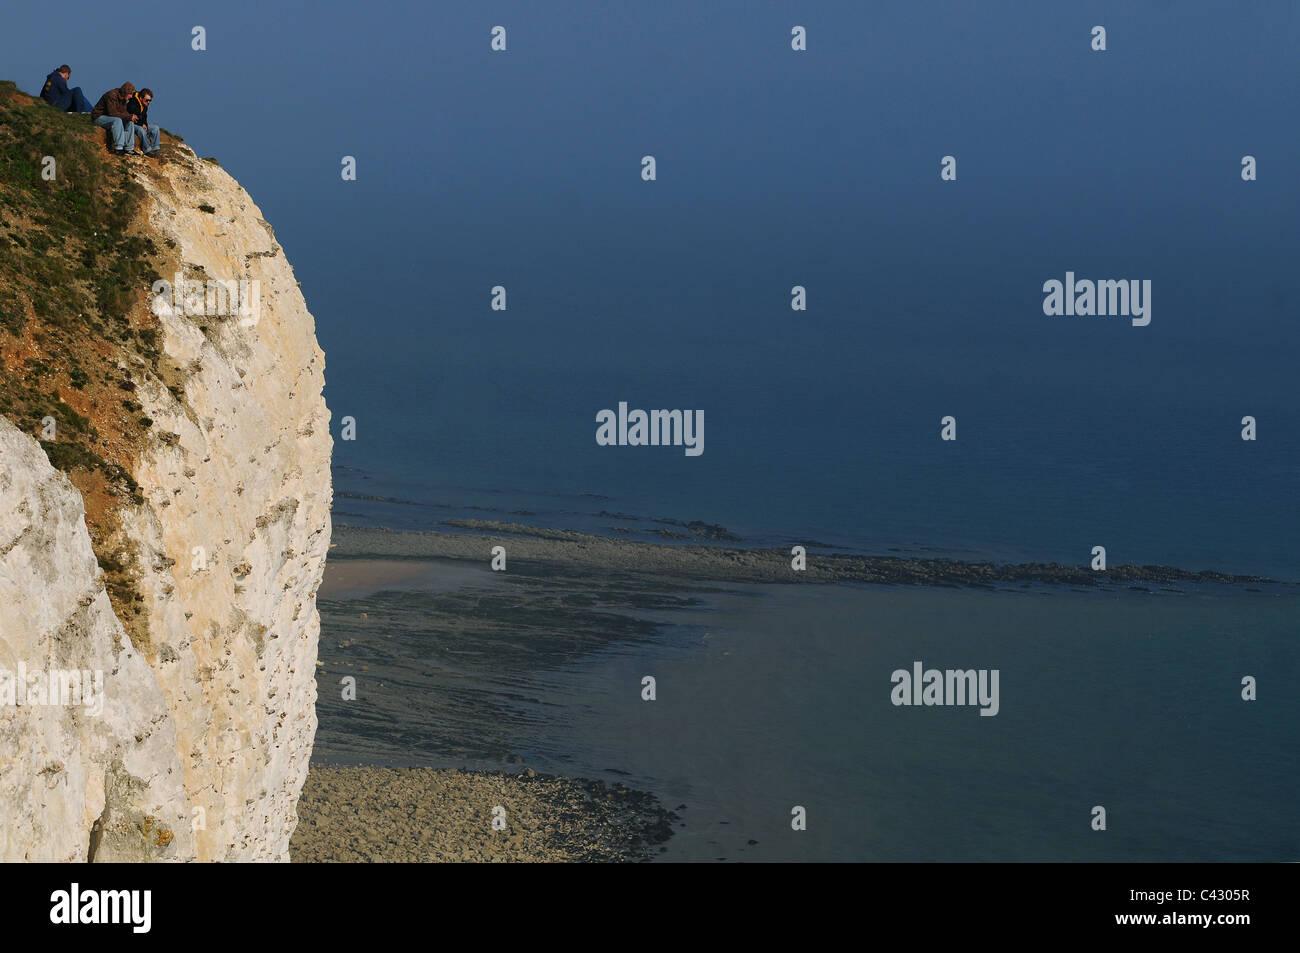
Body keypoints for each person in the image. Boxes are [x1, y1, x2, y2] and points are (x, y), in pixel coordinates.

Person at [91, 82, 138, 156]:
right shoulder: (111, 95)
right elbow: (112, 113)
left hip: (109, 117)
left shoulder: (123, 98)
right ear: (126, 92)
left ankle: (129, 148)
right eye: (130, 94)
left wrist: (131, 116)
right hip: (99, 117)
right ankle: (118, 148)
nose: (131, 96)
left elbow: (123, 112)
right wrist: (128, 116)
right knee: (117, 120)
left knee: (130, 122)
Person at [127, 88, 160, 158]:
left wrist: (145, 124)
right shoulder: (132, 103)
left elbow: (144, 117)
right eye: (147, 100)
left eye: (150, 100)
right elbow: (133, 118)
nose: (148, 102)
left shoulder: (145, 106)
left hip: (140, 124)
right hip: (131, 124)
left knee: (155, 128)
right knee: (141, 130)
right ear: (141, 98)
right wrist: (141, 124)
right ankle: (147, 150)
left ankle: (155, 149)